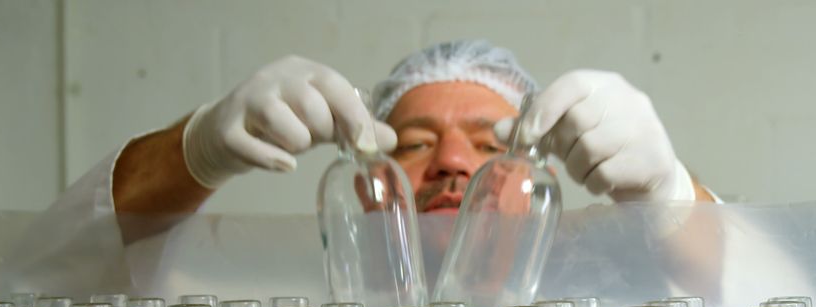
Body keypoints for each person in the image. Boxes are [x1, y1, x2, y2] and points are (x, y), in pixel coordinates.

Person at [107, 40, 714, 241]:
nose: (452, 164)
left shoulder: (604, 302)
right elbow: (74, 269)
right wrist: (197, 151)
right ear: (373, 184)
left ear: (536, 184)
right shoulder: (301, 301)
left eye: (487, 144)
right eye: (418, 143)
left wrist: (667, 197)